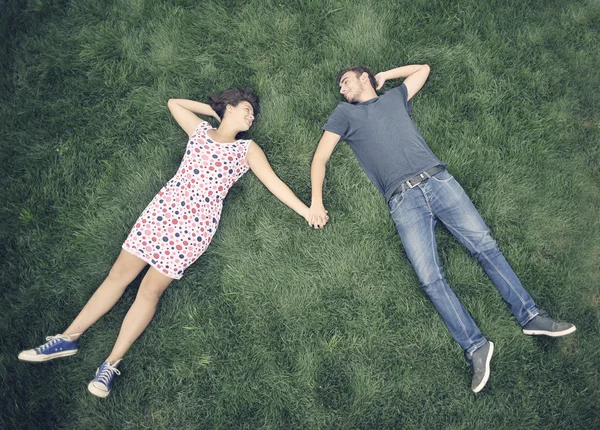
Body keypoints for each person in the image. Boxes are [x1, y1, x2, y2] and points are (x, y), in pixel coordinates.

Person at [18, 88, 312, 398]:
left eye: (254, 113)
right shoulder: (199, 131)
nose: (252, 115)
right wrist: (214, 110)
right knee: (118, 276)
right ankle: (68, 338)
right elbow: (175, 103)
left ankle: (110, 364)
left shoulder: (247, 150)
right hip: (162, 212)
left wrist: (307, 210)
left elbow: (275, 184)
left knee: (150, 290)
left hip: (194, 227)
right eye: (246, 108)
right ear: (228, 107)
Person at [308, 64, 576, 393]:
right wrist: (316, 202)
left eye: (345, 81)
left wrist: (383, 76)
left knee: (485, 246)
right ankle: (476, 347)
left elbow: (423, 69)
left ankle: (531, 316)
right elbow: (320, 158)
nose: (341, 89)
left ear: (365, 77)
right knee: (430, 279)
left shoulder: (394, 98)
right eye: (340, 87)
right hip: (403, 201)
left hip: (438, 180)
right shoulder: (343, 115)